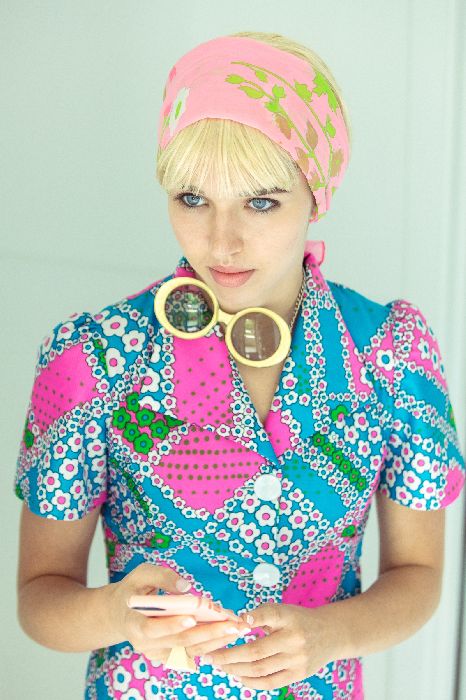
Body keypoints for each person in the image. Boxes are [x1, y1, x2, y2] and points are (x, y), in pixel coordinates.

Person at [13, 31, 465, 700]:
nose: (222, 241)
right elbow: (39, 597)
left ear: (317, 192)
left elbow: (419, 575)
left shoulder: (391, 353)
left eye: (261, 202)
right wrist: (119, 614)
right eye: (193, 199)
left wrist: (330, 635)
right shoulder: (94, 357)